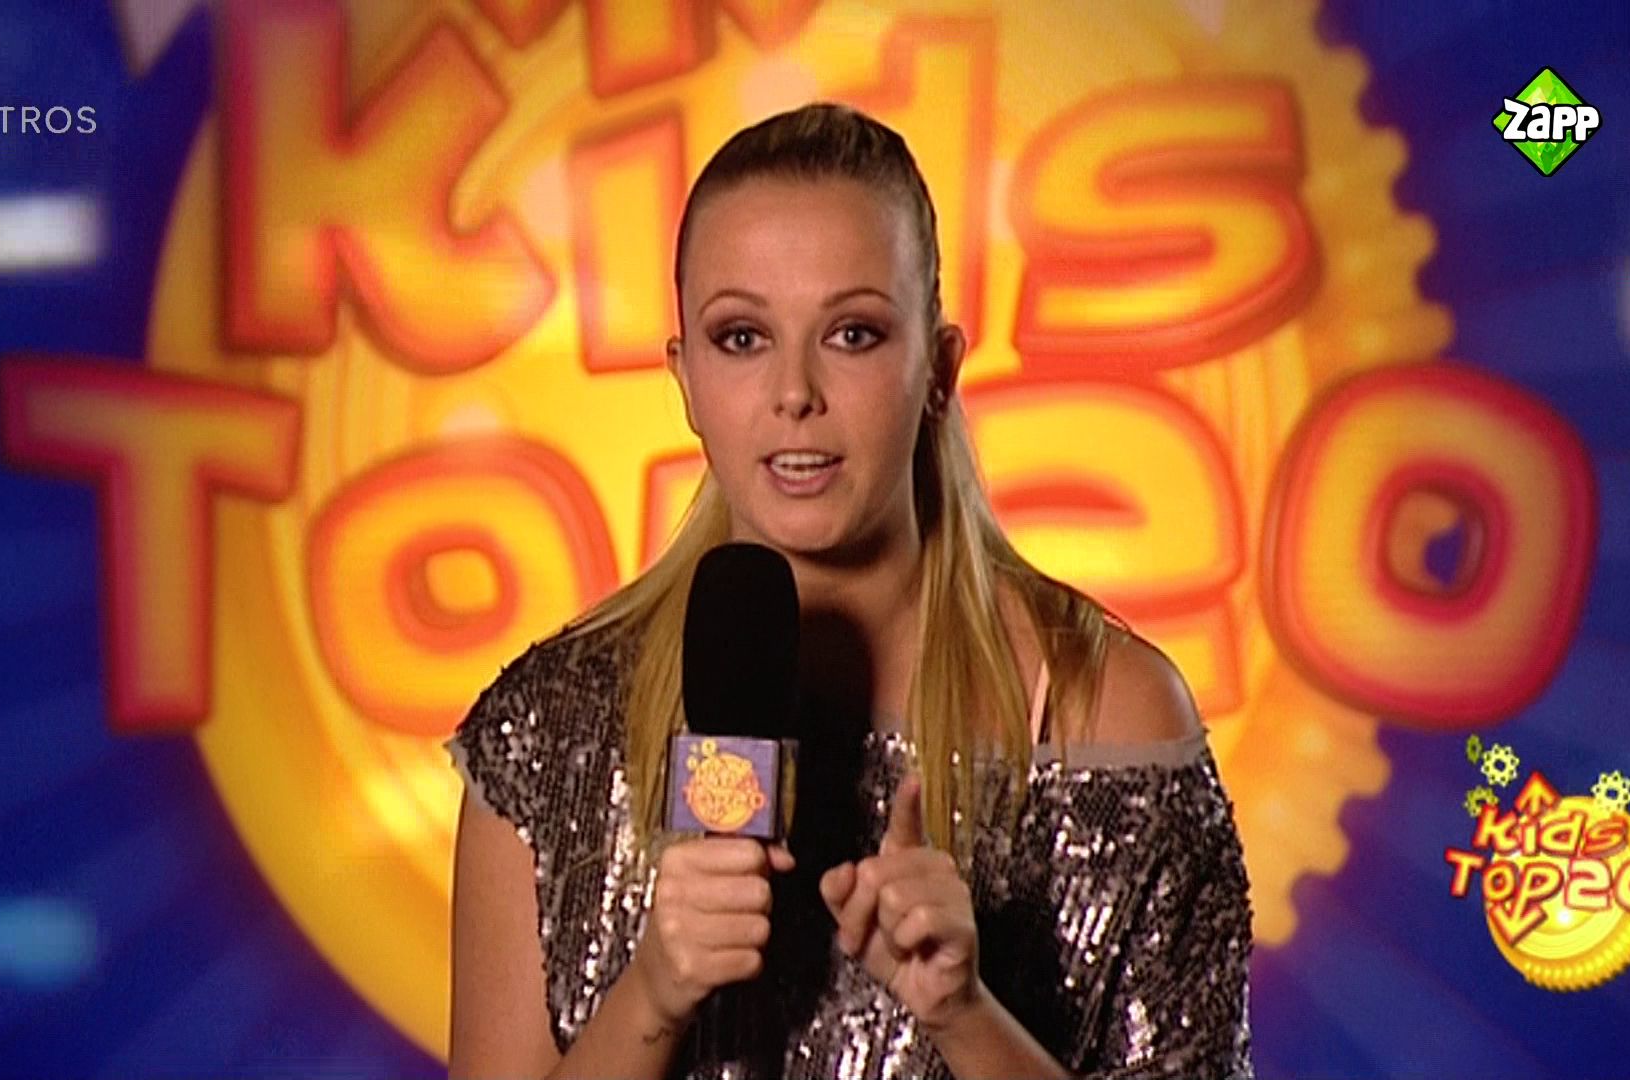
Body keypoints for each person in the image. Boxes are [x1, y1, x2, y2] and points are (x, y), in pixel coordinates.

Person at [445, 102, 1253, 1079]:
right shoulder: (549, 728)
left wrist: (961, 1012)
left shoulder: (1103, 712)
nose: (795, 393)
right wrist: (653, 990)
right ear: (685, 378)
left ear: (938, 370)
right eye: (742, 337)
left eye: (853, 333)